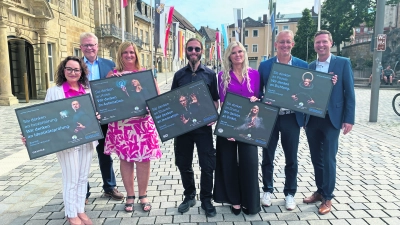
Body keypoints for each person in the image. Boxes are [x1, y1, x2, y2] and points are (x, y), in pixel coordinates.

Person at [22, 56, 95, 225]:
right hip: (66, 141)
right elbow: (45, 117)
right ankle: (71, 214)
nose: (73, 72)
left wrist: (95, 117)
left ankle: (80, 210)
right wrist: (31, 135)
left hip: (87, 139)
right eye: (69, 69)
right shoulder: (54, 91)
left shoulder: (87, 90)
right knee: (71, 177)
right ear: (63, 71)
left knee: (83, 177)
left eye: (76, 70)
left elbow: (93, 114)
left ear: (82, 72)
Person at [104, 41, 162, 213]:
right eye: (125, 53)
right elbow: (105, 98)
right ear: (120, 55)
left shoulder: (145, 74)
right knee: (126, 160)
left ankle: (143, 194)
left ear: (136, 54)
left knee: (144, 160)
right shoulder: (112, 74)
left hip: (142, 124)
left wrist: (150, 108)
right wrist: (112, 85)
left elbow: (156, 96)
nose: (129, 55)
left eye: (132, 52)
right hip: (122, 125)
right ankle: (130, 195)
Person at [303, 30, 355, 215]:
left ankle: (328, 197)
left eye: (324, 42)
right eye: (318, 42)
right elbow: (306, 91)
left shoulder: (342, 63)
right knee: (316, 158)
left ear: (330, 43)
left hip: (332, 119)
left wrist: (349, 119)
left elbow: (349, 92)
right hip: (313, 118)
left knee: (328, 158)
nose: (321, 45)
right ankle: (319, 190)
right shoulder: (310, 65)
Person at [258, 30, 308, 210]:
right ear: (276, 45)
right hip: (270, 117)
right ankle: (267, 189)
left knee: (291, 159)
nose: (285, 45)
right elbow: (258, 92)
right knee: (267, 157)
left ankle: (290, 193)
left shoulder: (302, 65)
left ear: (292, 44)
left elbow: (310, 90)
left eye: (288, 42)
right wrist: (263, 99)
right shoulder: (264, 66)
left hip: (291, 118)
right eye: (281, 42)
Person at [171, 38, 219, 217]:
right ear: (186, 50)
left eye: (197, 49)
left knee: (207, 164)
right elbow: (172, 101)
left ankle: (206, 198)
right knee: (184, 163)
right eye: (190, 48)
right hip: (183, 129)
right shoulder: (179, 75)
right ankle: (189, 195)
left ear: (201, 51)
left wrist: (212, 116)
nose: (193, 51)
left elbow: (215, 100)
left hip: (203, 129)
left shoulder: (209, 74)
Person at [213, 41, 261, 215]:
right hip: (229, 126)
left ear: (245, 53)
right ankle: (235, 200)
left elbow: (258, 99)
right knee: (229, 163)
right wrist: (231, 130)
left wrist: (257, 100)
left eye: (240, 51)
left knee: (250, 163)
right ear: (229, 56)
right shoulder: (221, 76)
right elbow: (224, 104)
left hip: (249, 127)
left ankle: (250, 201)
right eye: (234, 52)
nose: (238, 55)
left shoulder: (255, 75)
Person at [79, 32, 123, 203]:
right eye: (86, 45)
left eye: (92, 45)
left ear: (97, 46)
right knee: (83, 156)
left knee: (105, 153)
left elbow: (115, 89)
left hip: (104, 116)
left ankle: (110, 187)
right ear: (81, 47)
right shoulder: (75, 64)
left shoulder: (109, 64)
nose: (90, 48)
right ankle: (83, 192)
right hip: (84, 117)